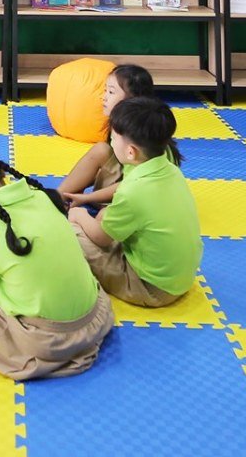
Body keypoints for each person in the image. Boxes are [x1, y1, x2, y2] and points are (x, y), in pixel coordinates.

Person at [0, 144, 113, 379]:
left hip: (51, 341)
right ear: (1, 171)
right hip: (97, 316)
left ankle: (34, 358)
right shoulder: (40, 195)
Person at [69, 96, 200, 308]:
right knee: (104, 215)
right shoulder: (168, 169)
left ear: (131, 152)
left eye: (113, 138)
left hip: (150, 288)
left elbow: (101, 238)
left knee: (70, 230)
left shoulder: (133, 192)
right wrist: (88, 201)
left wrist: (79, 215)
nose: (110, 142)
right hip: (179, 279)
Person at [58, 64, 155, 211]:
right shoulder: (121, 123)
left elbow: (133, 184)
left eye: (111, 92)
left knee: (101, 217)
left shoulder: (139, 134)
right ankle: (59, 196)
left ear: (132, 99)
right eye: (105, 90)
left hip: (137, 196)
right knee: (101, 150)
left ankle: (71, 200)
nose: (103, 97)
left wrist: (88, 198)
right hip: (124, 185)